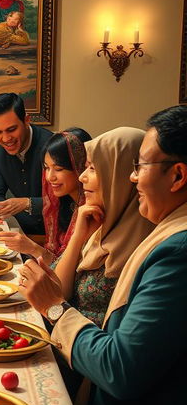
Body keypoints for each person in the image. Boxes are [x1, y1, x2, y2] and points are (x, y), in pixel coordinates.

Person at [20, 106, 187, 405]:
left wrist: (56, 310)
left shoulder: (177, 252)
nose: (131, 178)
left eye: (140, 167)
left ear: (178, 176)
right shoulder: (161, 234)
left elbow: (120, 369)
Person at [42, 127, 153, 328]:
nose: (82, 177)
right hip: (67, 335)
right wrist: (78, 237)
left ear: (118, 176)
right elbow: (58, 289)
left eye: (92, 168)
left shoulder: (147, 240)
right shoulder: (99, 220)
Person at [0, 128, 91, 263]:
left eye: (58, 169)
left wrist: (33, 248)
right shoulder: (64, 204)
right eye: (46, 168)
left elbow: (69, 272)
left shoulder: (91, 212)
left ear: (81, 167)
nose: (49, 177)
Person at [0, 92, 53, 235]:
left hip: (58, 233)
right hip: (20, 231)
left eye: (11, 129)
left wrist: (27, 203)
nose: (5, 138)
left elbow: (68, 201)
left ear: (26, 120)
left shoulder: (52, 147)